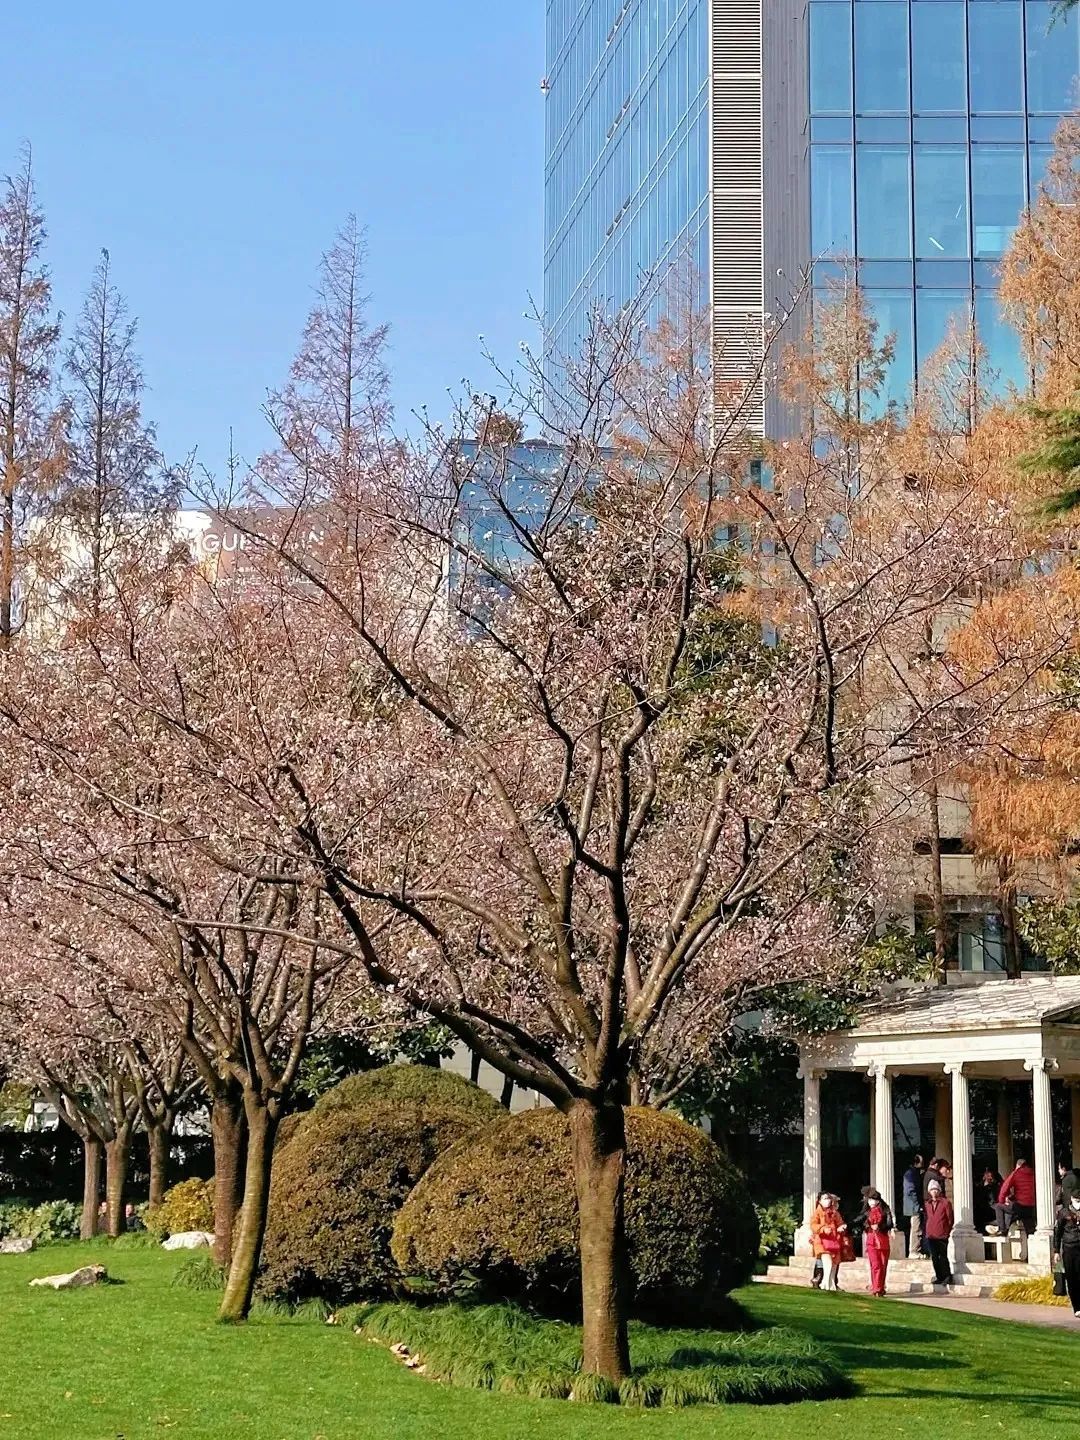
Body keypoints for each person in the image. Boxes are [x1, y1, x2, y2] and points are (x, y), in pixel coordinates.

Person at [857, 1185, 894, 1297]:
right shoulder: (867, 1212)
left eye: (873, 1199)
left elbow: (889, 1224)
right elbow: (860, 1221)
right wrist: (868, 1225)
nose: (871, 1202)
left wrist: (880, 1226)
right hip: (871, 1241)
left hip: (882, 1241)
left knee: (883, 1265)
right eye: (870, 1200)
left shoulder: (885, 1210)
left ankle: (880, 1287)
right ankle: (876, 1287)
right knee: (875, 1265)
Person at [810, 1191, 849, 1293]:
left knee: (834, 1264)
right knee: (827, 1263)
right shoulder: (817, 1212)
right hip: (822, 1242)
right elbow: (813, 1225)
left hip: (834, 1241)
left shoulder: (835, 1212)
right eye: (825, 1199)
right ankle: (825, 1283)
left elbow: (840, 1223)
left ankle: (830, 1285)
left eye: (828, 1198)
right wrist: (823, 1229)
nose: (827, 1201)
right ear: (820, 1201)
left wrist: (841, 1227)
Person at [924, 1176, 955, 1287]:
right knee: (934, 1257)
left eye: (936, 1189)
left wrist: (947, 1230)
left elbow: (949, 1218)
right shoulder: (927, 1204)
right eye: (932, 1190)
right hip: (931, 1234)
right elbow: (926, 1217)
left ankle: (947, 1276)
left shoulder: (945, 1203)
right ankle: (939, 1276)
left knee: (943, 1256)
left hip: (942, 1234)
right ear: (929, 1191)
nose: (934, 1191)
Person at [1053, 1191, 1080, 1319]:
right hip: (1069, 1248)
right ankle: (1077, 1307)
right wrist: (1056, 1251)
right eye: (1077, 1200)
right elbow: (1057, 1232)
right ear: (1072, 1199)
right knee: (1072, 1278)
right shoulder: (1064, 1213)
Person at [996, 1156, 1037, 1234]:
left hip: (1019, 1206)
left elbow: (1004, 1188)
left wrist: (1002, 1201)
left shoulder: (1016, 1173)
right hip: (1031, 1207)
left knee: (999, 1207)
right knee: (1030, 1231)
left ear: (1018, 1165)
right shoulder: (1033, 1173)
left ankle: (1002, 1230)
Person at [901, 1153, 925, 1257]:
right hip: (914, 1206)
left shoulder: (912, 1173)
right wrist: (917, 1204)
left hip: (913, 1205)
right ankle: (914, 1251)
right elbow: (910, 1191)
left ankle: (915, 1250)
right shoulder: (911, 1174)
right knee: (916, 1227)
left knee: (916, 1227)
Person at [978, 1167, 1003, 1233]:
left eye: (990, 1177)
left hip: (990, 1211)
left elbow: (993, 1201)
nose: (990, 1178)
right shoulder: (981, 1187)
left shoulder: (995, 1187)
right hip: (985, 1211)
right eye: (988, 1176)